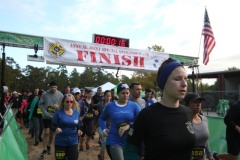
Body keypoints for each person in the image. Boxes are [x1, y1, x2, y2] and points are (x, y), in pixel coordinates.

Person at [124, 58, 195, 160]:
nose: (184, 84)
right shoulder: (147, 115)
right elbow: (129, 149)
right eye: (177, 79)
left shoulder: (188, 112)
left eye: (186, 78)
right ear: (164, 83)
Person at [99, 83, 141, 160]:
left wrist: (129, 125)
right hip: (114, 140)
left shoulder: (134, 106)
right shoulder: (110, 106)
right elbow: (102, 119)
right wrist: (104, 129)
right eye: (123, 93)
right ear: (118, 94)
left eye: (127, 93)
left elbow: (141, 120)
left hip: (129, 140)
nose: (125, 95)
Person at [184, 92, 214, 160]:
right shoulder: (184, 121)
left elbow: (205, 140)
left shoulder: (204, 119)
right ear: (187, 105)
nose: (199, 104)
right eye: (195, 102)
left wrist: (209, 155)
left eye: (200, 101)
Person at [52, 93, 82, 160]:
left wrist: (79, 129)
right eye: (67, 101)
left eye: (71, 101)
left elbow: (78, 124)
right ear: (63, 102)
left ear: (73, 102)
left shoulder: (76, 112)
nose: (69, 103)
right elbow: (52, 125)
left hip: (73, 141)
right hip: (60, 142)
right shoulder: (58, 113)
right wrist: (56, 129)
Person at [38, 81, 64, 158]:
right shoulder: (45, 94)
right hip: (46, 116)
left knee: (52, 133)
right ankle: (44, 149)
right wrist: (44, 111)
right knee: (46, 132)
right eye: (51, 87)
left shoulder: (60, 95)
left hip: (55, 117)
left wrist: (58, 106)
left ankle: (49, 145)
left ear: (57, 87)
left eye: (54, 87)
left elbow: (63, 105)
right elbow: (40, 104)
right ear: (49, 87)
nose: (53, 88)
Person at [97, 90, 112, 160]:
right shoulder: (100, 104)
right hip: (101, 126)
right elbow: (95, 111)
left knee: (107, 142)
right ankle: (101, 155)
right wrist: (95, 112)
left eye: (109, 96)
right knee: (105, 141)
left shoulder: (113, 105)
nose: (108, 97)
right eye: (107, 96)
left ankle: (100, 154)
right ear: (104, 96)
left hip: (110, 126)